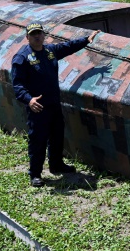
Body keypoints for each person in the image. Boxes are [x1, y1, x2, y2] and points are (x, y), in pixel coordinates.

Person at [11, 23, 100, 187]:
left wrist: (86, 40)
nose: (37, 36)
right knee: (38, 139)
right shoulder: (22, 58)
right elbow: (17, 85)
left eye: (39, 33)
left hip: (54, 103)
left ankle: (56, 164)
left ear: (44, 35)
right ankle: (35, 174)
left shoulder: (49, 51)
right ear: (27, 37)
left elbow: (67, 47)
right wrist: (29, 99)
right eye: (33, 34)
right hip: (38, 107)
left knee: (57, 135)